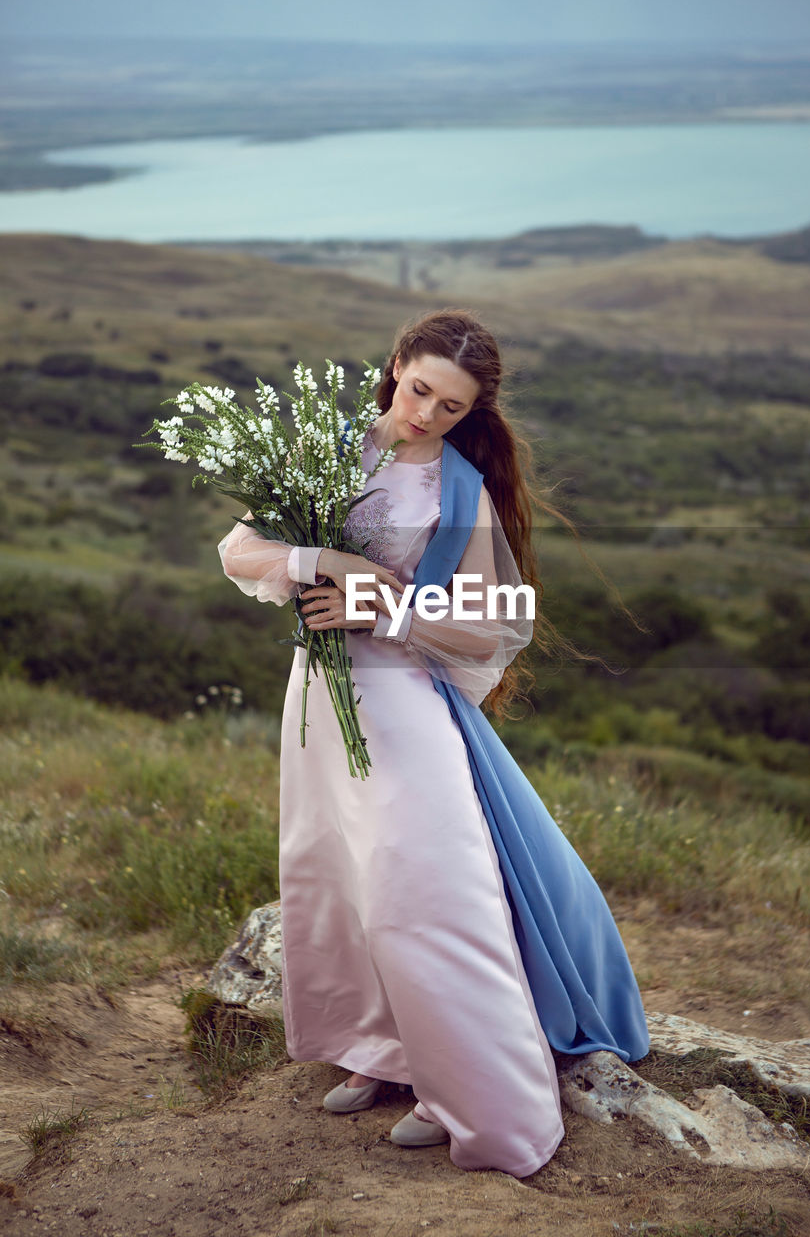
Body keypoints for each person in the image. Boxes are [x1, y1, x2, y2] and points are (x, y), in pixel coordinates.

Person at [218, 309, 649, 1177]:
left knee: (422, 896)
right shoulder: (326, 451)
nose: (425, 415)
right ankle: (383, 1051)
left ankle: (479, 1102)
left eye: (450, 408)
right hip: (319, 701)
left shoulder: (461, 491)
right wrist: (325, 566)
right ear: (393, 369)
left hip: (404, 706)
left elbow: (503, 620)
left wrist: (390, 608)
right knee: (339, 877)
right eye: (419, 391)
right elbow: (240, 551)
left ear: (469, 413)